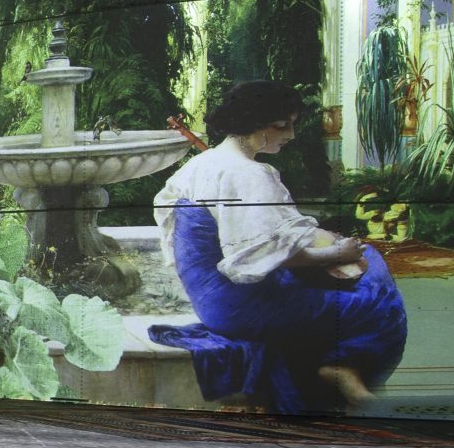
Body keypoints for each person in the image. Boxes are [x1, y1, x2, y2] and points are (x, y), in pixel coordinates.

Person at [150, 79, 407, 411]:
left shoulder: (202, 164)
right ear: (253, 123)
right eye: (281, 125)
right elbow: (262, 258)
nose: (291, 135)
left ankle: (338, 368)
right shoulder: (249, 174)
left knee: (355, 271)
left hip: (210, 300)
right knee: (377, 298)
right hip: (242, 306)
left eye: (292, 125)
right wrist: (336, 253)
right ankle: (343, 367)